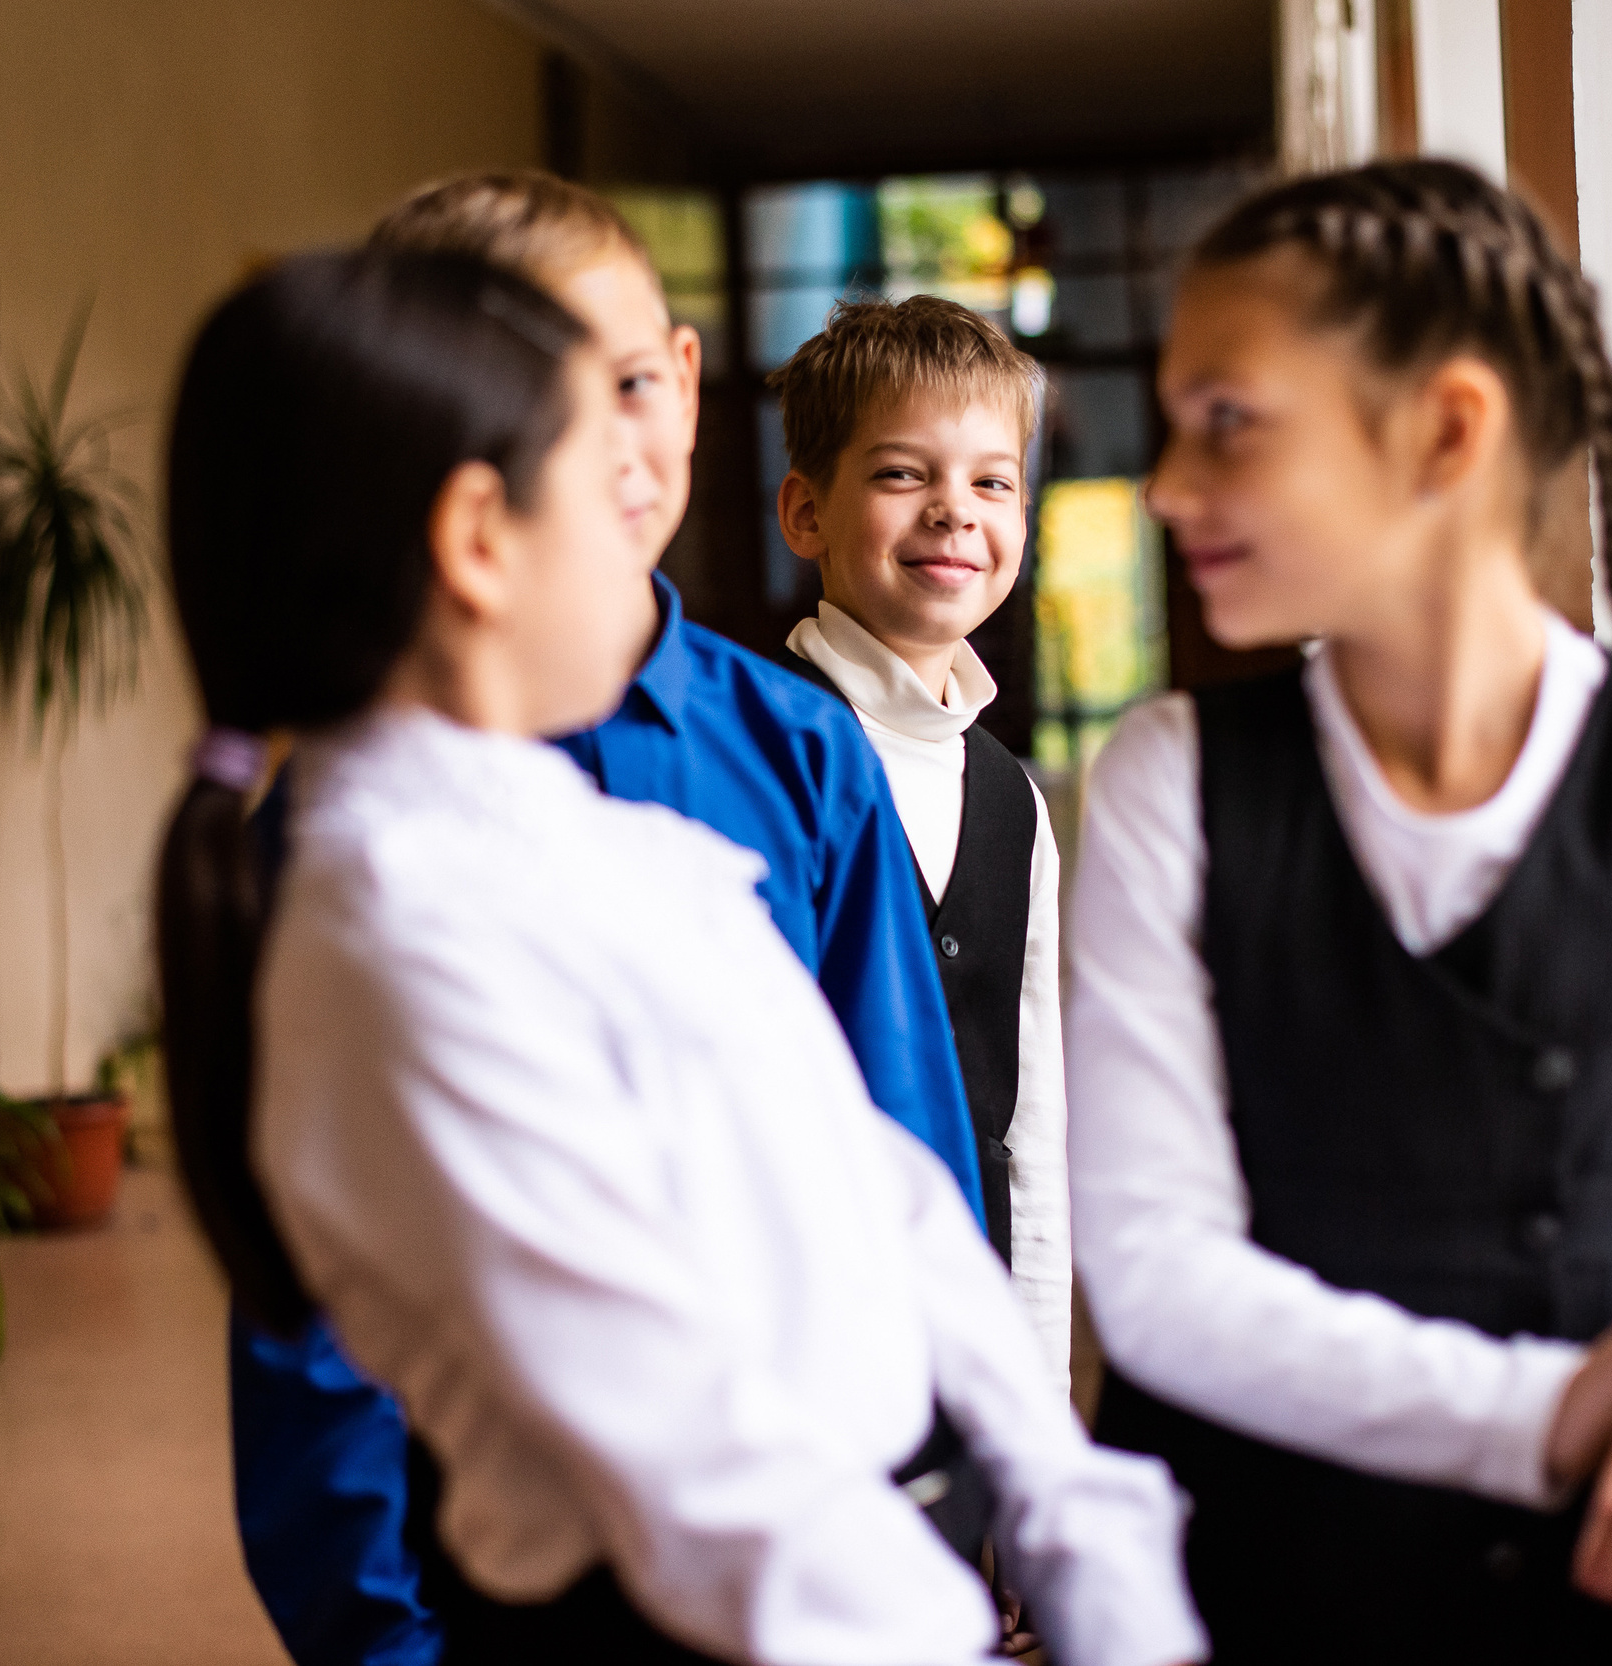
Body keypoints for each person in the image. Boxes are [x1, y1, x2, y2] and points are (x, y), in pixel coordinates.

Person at [158, 245, 1204, 1666]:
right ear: (480, 541)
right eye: (606, 478)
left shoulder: (568, 833)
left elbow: (878, 1169)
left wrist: (1062, 1498)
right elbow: (686, 1451)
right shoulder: (401, 926)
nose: (649, 505)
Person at [1066, 159, 1612, 1663]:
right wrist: (1554, 1406)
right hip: (1238, 1589)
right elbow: (1154, 1273)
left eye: (1229, 423)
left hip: (1583, 1585)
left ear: (1447, 429)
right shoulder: (1166, 779)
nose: (1167, 485)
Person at [769, 295, 1072, 1396]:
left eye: (992, 482)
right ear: (805, 511)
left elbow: (1029, 1124)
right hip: (795, 1343)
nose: (955, 511)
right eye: (904, 474)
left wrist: (1036, 1409)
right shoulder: (757, 753)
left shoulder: (1010, 800)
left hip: (967, 1345)